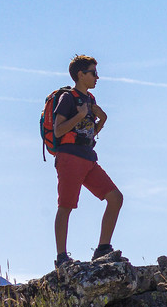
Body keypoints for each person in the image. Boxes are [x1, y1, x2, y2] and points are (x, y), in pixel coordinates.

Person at [52, 54, 123, 267]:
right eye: (93, 73)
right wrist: (80, 115)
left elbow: (90, 131)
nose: (97, 77)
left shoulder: (90, 100)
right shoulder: (68, 98)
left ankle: (102, 249)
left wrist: (102, 120)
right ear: (80, 75)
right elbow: (58, 130)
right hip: (70, 157)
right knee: (65, 206)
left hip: (88, 158)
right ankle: (62, 257)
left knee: (116, 198)